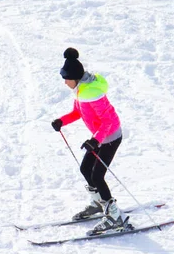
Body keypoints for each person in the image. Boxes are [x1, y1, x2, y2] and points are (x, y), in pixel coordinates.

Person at [51, 47, 128, 233]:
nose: (65, 82)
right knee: (85, 168)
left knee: (97, 175)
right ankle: (98, 204)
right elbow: (78, 112)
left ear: (75, 78)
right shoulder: (81, 91)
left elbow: (108, 121)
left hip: (110, 137)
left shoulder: (91, 93)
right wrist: (62, 121)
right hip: (100, 137)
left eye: (66, 79)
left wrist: (96, 140)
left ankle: (115, 217)